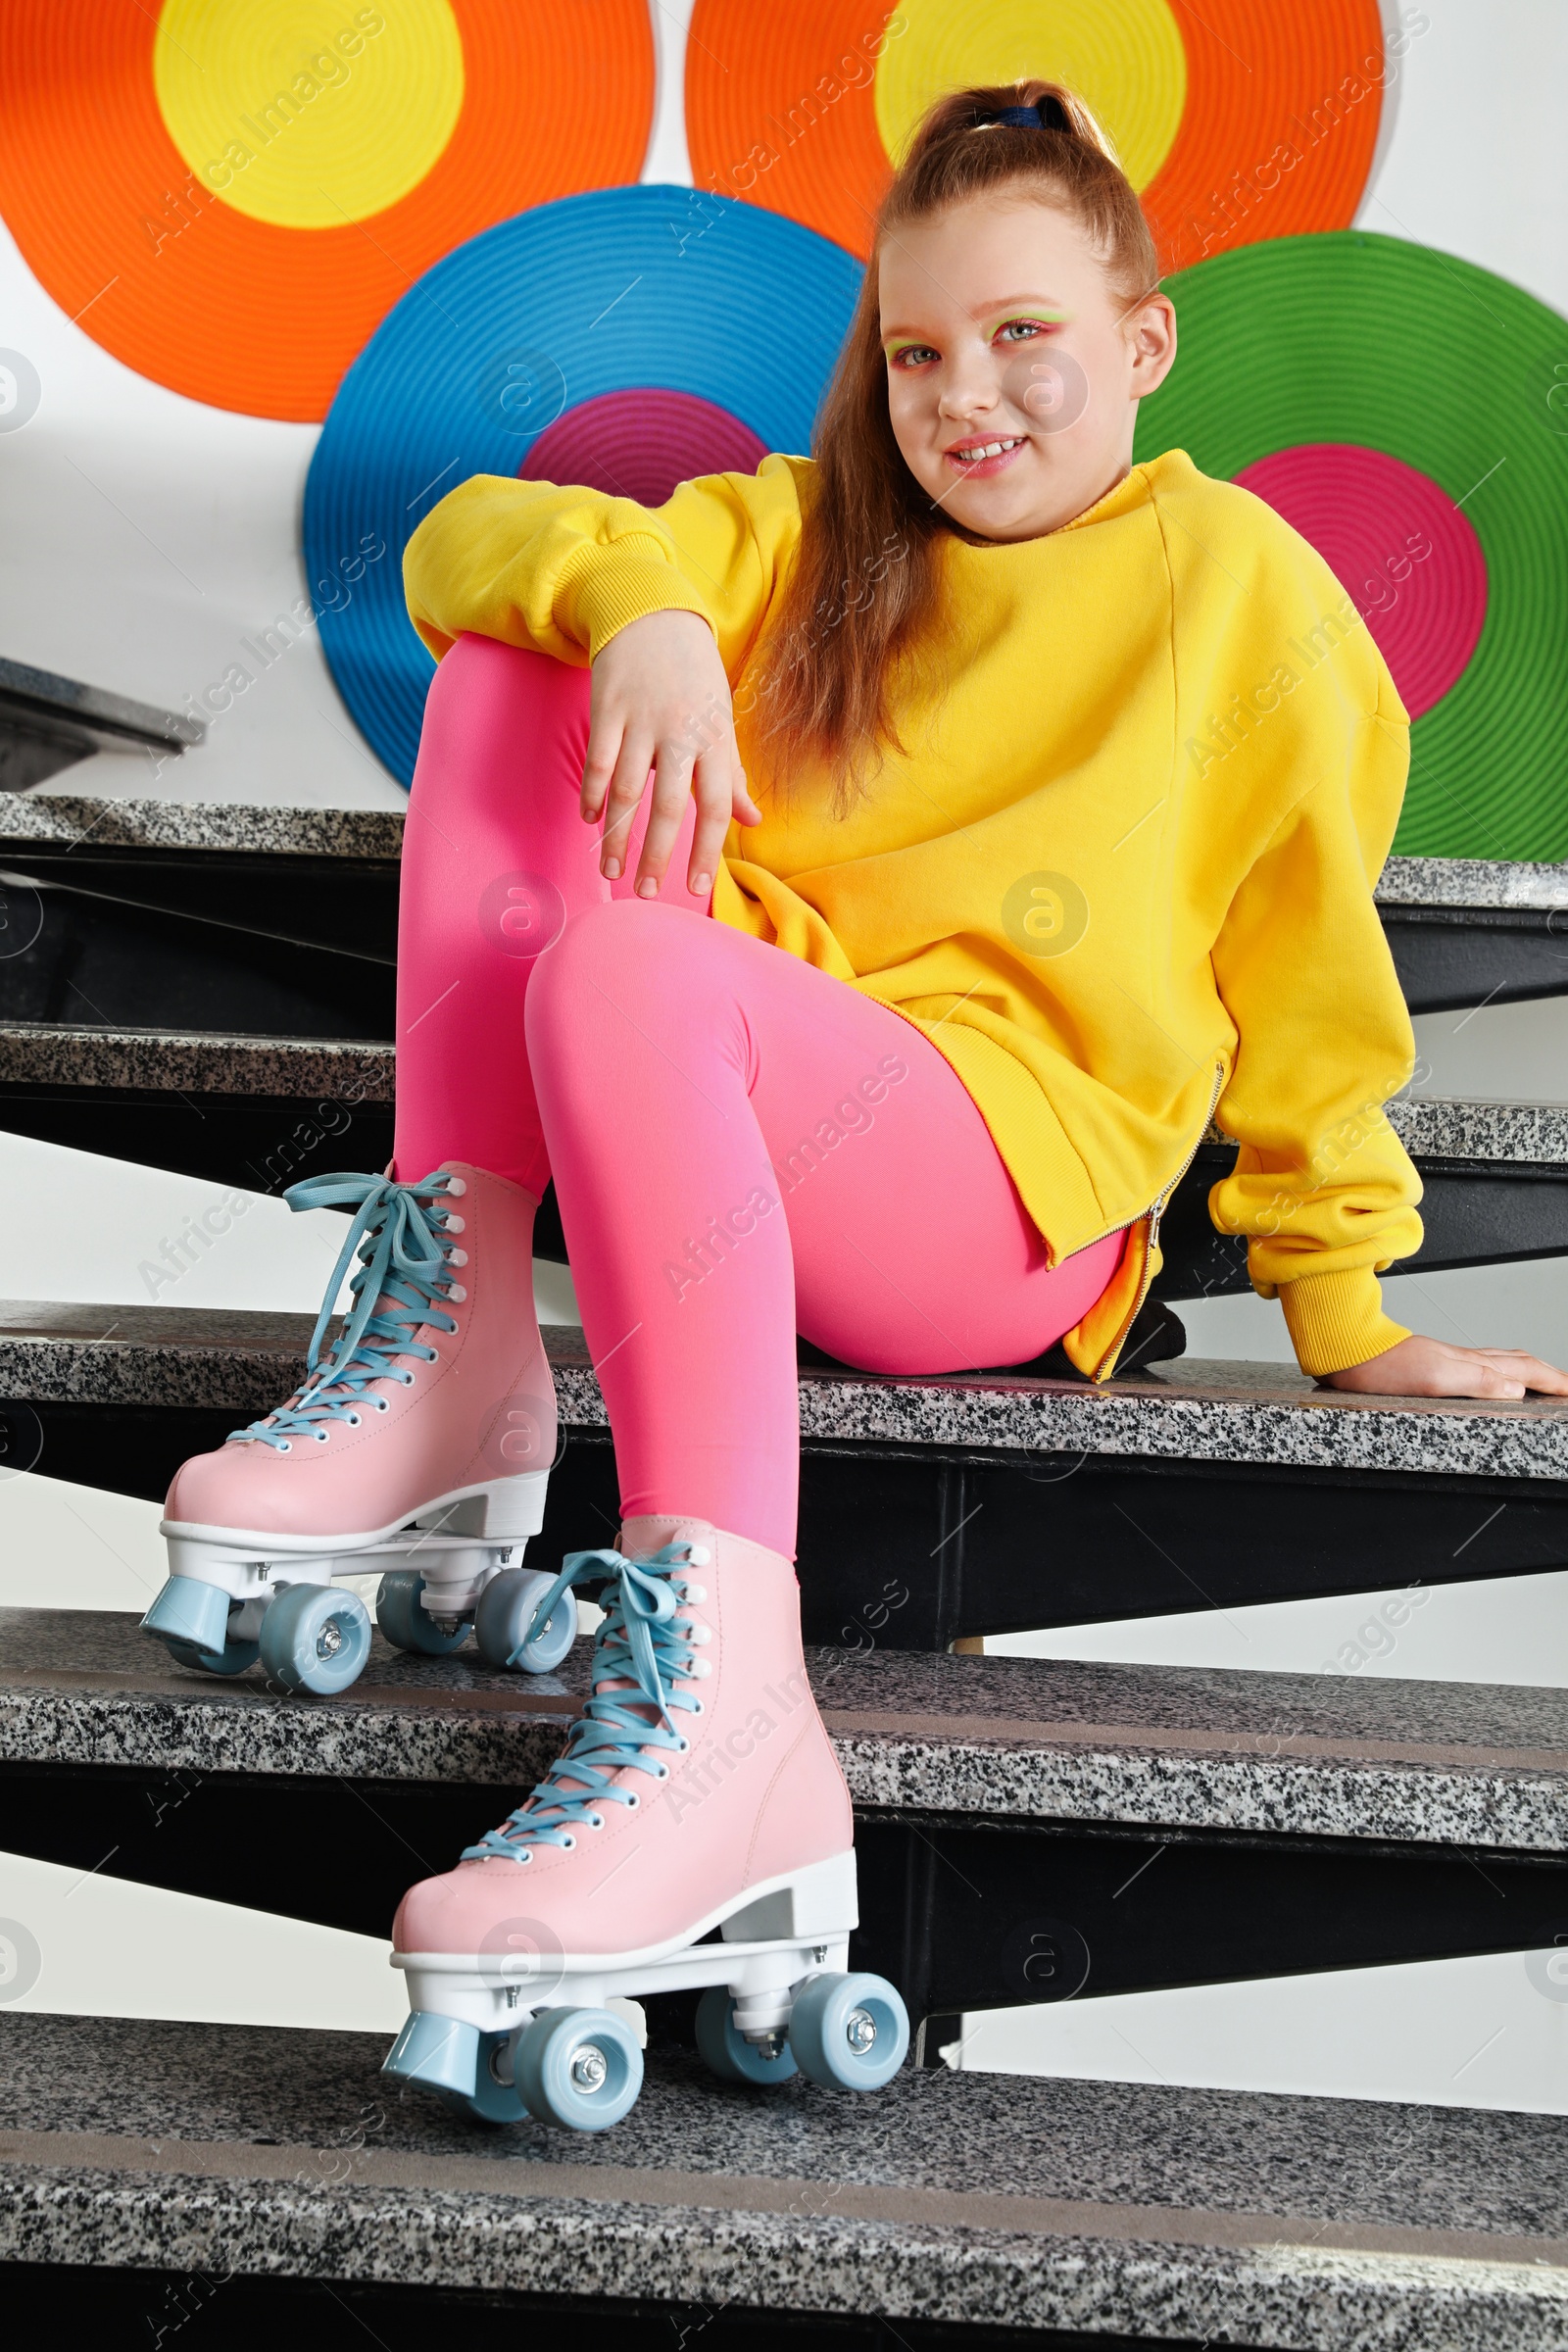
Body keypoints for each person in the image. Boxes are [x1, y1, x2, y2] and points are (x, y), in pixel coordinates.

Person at [162, 81, 1567, 2048]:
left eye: (1021, 338)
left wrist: (1345, 1310)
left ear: (1142, 343)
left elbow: (1308, 972)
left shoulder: (1242, 589)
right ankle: (458, 1346)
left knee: (632, 976)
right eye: (916, 351)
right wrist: (648, 607)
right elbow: (472, 546)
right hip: (761, 1095)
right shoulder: (822, 534)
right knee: (521, 657)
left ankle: (731, 1723)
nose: (962, 395)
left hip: (1002, 1199)